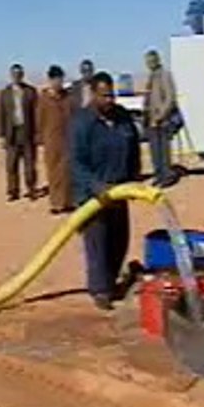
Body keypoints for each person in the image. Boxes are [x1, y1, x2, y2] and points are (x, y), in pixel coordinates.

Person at [70, 71, 141, 311]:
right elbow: (77, 163)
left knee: (119, 240)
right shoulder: (81, 123)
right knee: (98, 242)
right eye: (104, 96)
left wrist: (134, 181)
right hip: (94, 195)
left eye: (112, 95)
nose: (109, 100)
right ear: (93, 94)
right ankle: (100, 290)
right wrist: (97, 187)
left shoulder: (122, 117)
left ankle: (111, 282)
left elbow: (133, 149)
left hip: (119, 190)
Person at [36, 65, 75, 214]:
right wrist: (39, 137)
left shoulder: (68, 98)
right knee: (53, 172)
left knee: (67, 171)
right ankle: (56, 204)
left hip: (67, 138)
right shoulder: (44, 99)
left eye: (60, 79)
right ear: (50, 80)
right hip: (51, 140)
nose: (58, 82)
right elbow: (39, 119)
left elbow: (73, 115)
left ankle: (68, 202)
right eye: (56, 79)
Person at [0, 63, 38, 202]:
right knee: (11, 164)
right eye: (14, 74)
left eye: (19, 74)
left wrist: (37, 133)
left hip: (27, 132)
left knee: (29, 163)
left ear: (22, 75)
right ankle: (13, 191)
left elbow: (36, 113)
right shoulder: (4, 93)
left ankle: (31, 189)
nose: (17, 76)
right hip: (11, 133)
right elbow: (1, 115)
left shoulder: (30, 92)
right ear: (11, 75)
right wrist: (2, 135)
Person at [143, 49, 179, 188]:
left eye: (152, 60)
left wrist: (159, 116)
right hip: (150, 120)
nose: (149, 63)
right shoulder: (151, 76)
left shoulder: (165, 75)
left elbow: (170, 98)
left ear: (157, 60)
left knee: (163, 150)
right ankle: (158, 175)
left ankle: (167, 176)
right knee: (154, 151)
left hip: (162, 121)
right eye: (147, 61)